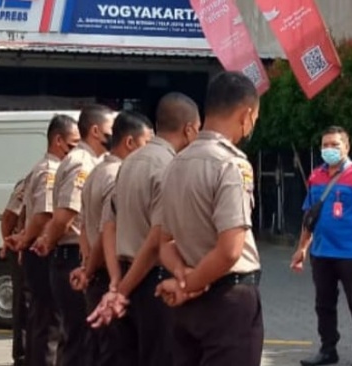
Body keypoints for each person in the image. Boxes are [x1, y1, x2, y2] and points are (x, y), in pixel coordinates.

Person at [154, 71, 263, 366]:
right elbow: (229, 249)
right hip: (228, 300)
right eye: (254, 118)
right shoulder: (231, 163)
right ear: (246, 114)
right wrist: (190, 284)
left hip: (187, 309)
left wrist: (182, 278)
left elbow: (164, 243)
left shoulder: (175, 164)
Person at [86, 92, 200, 366]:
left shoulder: (127, 164)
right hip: (153, 282)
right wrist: (122, 289)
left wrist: (116, 281)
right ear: (188, 129)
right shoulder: (171, 166)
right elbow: (156, 240)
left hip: (127, 275)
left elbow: (109, 227)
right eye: (198, 128)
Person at [32, 104, 115, 366]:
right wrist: (48, 240)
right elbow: (65, 216)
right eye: (111, 129)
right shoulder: (82, 164)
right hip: (70, 257)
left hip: (72, 256)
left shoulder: (91, 162)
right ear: (95, 130)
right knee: (78, 341)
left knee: (79, 340)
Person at [70, 111, 153, 366]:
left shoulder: (96, 172)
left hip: (96, 276)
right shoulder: (119, 174)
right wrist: (95, 270)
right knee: (115, 354)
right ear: (130, 142)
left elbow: (84, 228)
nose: (148, 152)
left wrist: (86, 269)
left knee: (97, 352)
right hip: (108, 275)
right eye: (146, 143)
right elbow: (108, 230)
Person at [291, 125, 352, 366]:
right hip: (321, 253)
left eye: (335, 144)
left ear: (347, 147)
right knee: (324, 304)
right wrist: (302, 248)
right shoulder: (315, 175)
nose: (329, 149)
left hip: (351, 254)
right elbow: (308, 217)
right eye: (325, 145)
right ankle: (328, 349)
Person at [7, 114, 80, 366]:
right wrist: (28, 239)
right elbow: (44, 215)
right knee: (50, 324)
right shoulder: (51, 171)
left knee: (41, 320)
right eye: (73, 143)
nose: (76, 150)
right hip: (42, 250)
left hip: (35, 250)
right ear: (58, 140)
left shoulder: (40, 168)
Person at [0, 177, 28, 366]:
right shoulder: (30, 180)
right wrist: (9, 241)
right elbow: (9, 216)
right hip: (23, 249)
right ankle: (21, 357)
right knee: (23, 305)